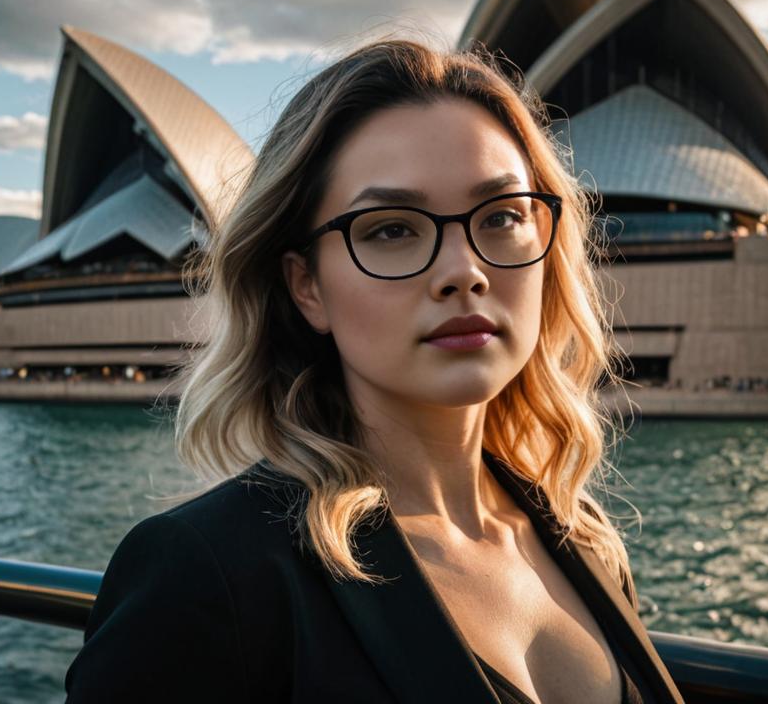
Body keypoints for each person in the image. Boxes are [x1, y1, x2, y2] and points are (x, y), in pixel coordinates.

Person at [64, 37, 684, 704]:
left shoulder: (585, 538)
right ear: (307, 286)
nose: (464, 272)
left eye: (502, 216)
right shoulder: (207, 572)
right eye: (391, 229)